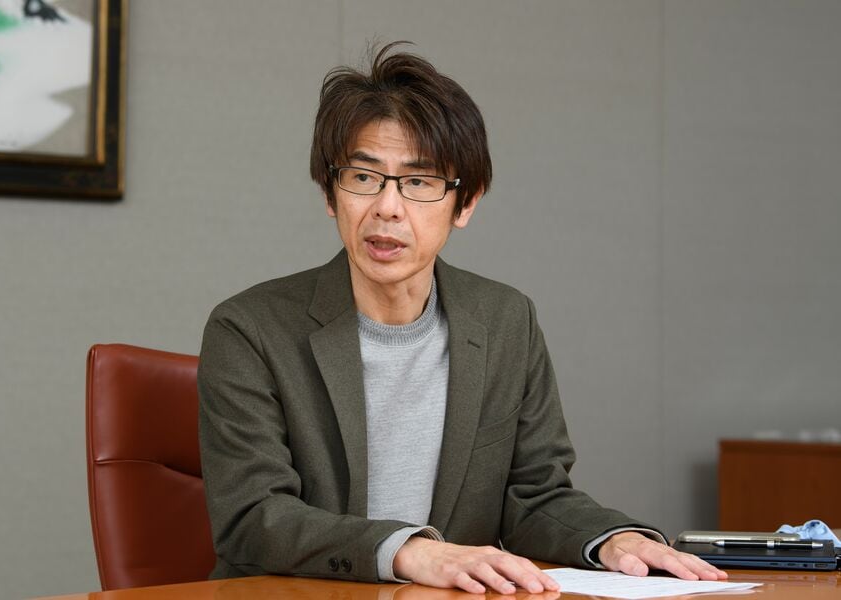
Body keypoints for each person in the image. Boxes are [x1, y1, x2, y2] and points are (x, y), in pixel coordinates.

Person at [197, 41, 726, 595]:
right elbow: (254, 516)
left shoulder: (505, 321)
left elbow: (534, 494)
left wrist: (612, 539)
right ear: (331, 194)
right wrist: (409, 552)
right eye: (363, 177)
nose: (387, 207)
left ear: (465, 202)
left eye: (419, 182)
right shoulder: (249, 330)